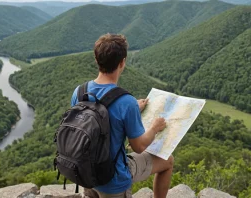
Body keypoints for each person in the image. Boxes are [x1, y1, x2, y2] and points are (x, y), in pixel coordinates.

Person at [70, 33, 174, 198]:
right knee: (168, 161)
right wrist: (155, 128)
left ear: (96, 60)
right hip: (113, 181)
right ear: (122, 62)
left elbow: (94, 120)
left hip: (87, 174)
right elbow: (138, 147)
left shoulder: (80, 92)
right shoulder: (126, 102)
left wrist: (134, 110)